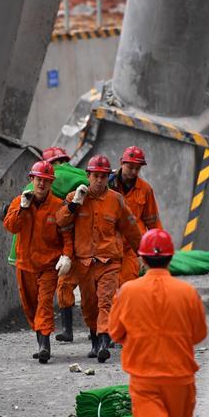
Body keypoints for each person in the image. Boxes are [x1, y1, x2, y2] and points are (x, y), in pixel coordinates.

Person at [108, 229, 207, 417]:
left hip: (144, 378)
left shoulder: (128, 291)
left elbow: (115, 332)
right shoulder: (187, 293)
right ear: (171, 257)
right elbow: (199, 334)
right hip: (180, 377)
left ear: (141, 258)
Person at [56, 154, 141, 363]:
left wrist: (144, 252)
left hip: (109, 261)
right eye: (96, 176)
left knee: (105, 302)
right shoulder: (75, 197)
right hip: (83, 262)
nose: (100, 180)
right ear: (88, 175)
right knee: (89, 304)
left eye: (104, 176)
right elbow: (60, 220)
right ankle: (95, 340)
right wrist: (74, 204)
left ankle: (104, 341)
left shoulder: (116, 200)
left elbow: (131, 228)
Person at [3, 161, 73, 363]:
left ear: (51, 183)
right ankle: (40, 339)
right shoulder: (20, 201)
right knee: (30, 306)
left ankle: (45, 346)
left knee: (44, 304)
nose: (42, 184)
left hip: (48, 266)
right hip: (25, 265)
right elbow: (11, 227)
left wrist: (66, 255)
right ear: (32, 180)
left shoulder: (58, 205)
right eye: (39, 179)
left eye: (46, 181)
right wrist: (23, 209)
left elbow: (66, 235)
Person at [109, 145, 163, 285]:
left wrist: (156, 252)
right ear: (122, 162)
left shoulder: (145, 190)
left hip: (131, 248)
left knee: (128, 285)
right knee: (106, 288)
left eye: (137, 168)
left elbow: (153, 222)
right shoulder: (107, 184)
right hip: (108, 246)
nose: (133, 172)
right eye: (130, 167)